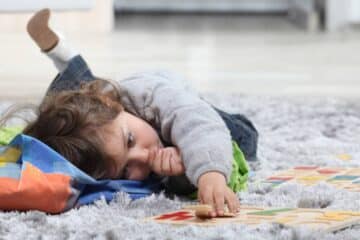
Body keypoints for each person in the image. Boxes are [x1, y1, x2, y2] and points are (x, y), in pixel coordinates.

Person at [21, 9, 258, 217]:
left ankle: (68, 59)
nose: (144, 157)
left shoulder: (149, 96)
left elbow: (199, 123)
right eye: (126, 170)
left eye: (130, 140)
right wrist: (181, 174)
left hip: (169, 92)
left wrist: (210, 174)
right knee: (67, 114)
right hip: (107, 102)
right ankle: (63, 53)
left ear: (114, 105)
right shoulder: (108, 121)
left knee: (244, 138)